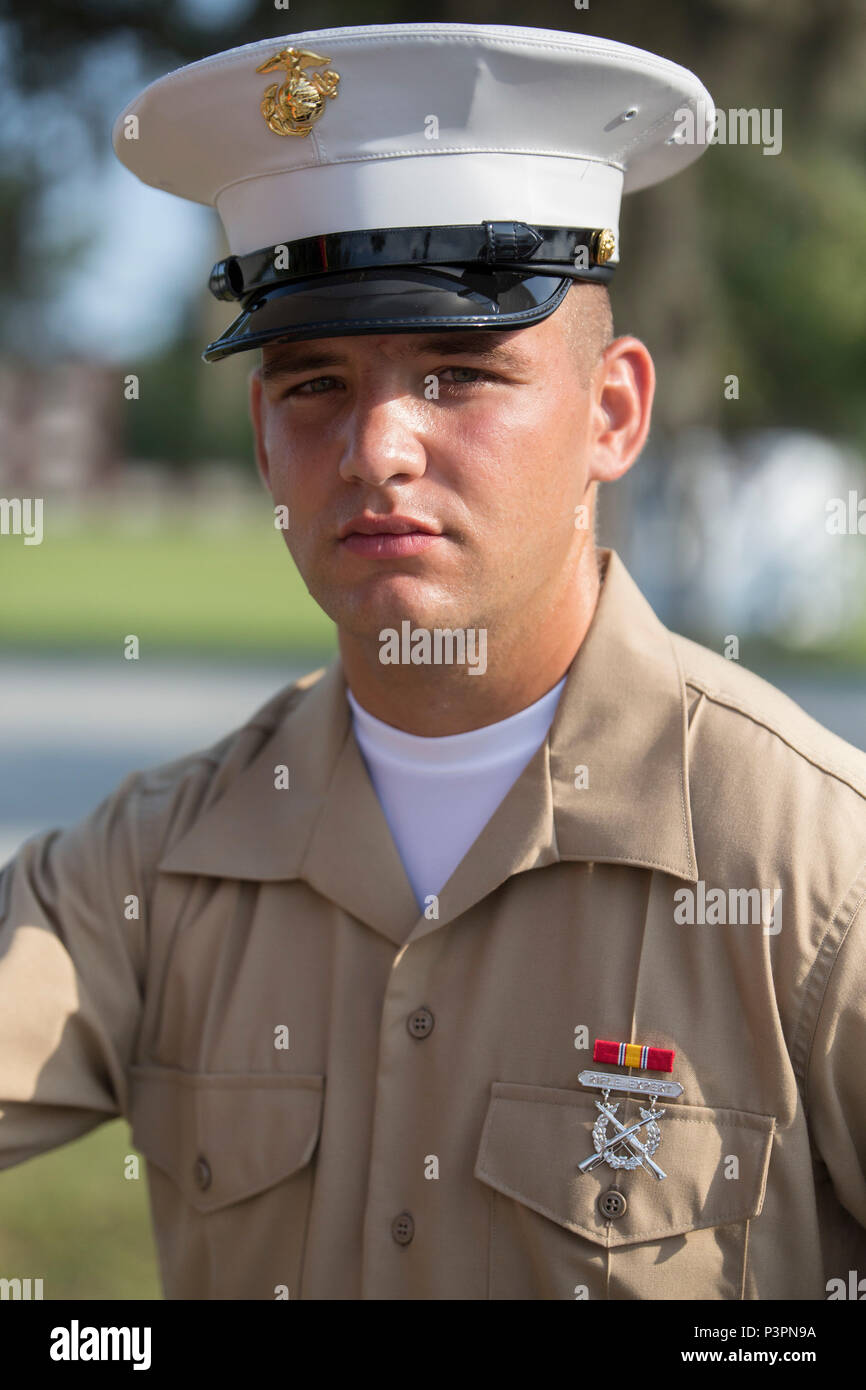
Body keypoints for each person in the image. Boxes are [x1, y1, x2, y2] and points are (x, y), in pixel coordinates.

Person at [1, 21, 864, 1302]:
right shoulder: (152, 861)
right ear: (260, 433)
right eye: (313, 384)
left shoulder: (809, 863)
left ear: (611, 413)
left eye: (460, 373)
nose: (376, 447)